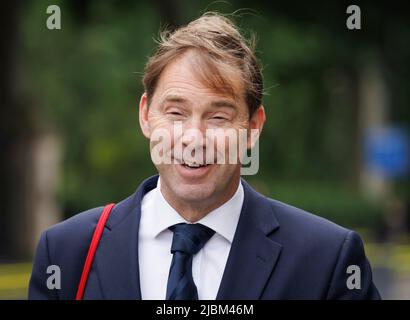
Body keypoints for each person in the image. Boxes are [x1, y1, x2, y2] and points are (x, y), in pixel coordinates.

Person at [29, 12, 380, 300]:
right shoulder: (66, 253)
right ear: (145, 115)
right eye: (176, 113)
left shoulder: (326, 261)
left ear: (253, 127)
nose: (194, 139)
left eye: (218, 117)